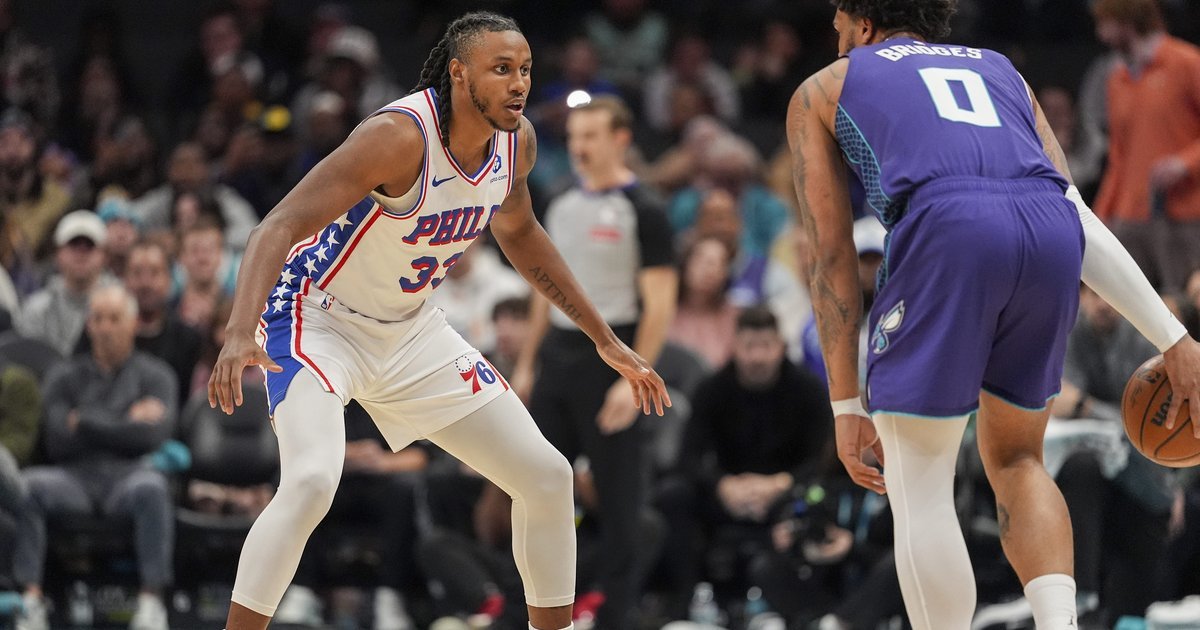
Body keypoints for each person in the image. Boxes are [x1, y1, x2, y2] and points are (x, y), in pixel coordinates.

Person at [207, 12, 670, 630]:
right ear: (458, 72)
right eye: (501, 69)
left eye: (525, 70)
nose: (519, 84)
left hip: (409, 330)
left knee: (547, 477)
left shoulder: (517, 143)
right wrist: (240, 331)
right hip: (316, 317)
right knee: (313, 481)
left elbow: (521, 234)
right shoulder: (398, 136)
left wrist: (604, 339)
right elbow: (278, 226)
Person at [785, 2, 1200, 629]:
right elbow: (1074, 211)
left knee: (919, 478)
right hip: (1049, 234)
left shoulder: (826, 86)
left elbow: (831, 258)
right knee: (1019, 460)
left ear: (863, 24)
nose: (838, 42)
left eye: (840, 29)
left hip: (947, 227)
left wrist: (845, 405)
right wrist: (1174, 337)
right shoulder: (1004, 70)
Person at [511, 94, 677, 630]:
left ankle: (614, 618)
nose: (579, 147)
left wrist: (633, 378)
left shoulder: (644, 208)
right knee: (538, 489)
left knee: (622, 508)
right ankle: (535, 615)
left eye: (591, 136)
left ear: (621, 139)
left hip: (615, 356)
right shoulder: (559, 200)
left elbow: (660, 304)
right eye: (574, 137)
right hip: (558, 356)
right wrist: (528, 364)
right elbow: (544, 289)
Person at [13, 285, 178, 630]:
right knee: (28, 486)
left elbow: (152, 437)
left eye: (114, 319)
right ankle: (30, 600)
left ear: (132, 323)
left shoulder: (157, 375)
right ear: (88, 325)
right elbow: (57, 441)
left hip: (129, 476)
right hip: (73, 477)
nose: (105, 328)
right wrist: (126, 420)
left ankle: (151, 602)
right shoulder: (63, 375)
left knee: (153, 487)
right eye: (98, 319)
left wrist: (85, 420)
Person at [1091, 0, 1200, 293]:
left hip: (1185, 216)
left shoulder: (1187, 62)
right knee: (1126, 308)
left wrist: (1184, 164)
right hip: (1130, 219)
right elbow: (1118, 156)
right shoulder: (1117, 79)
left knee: (1185, 305)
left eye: (1105, 23)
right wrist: (1100, 217)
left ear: (1127, 20)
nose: (1101, 34)